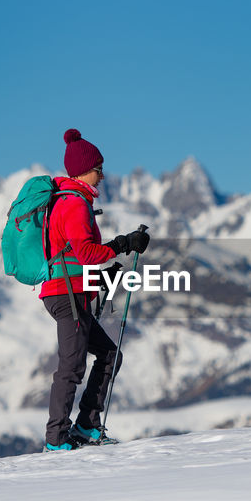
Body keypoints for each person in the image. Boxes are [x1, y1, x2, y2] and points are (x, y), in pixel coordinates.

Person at [41, 128, 149, 451]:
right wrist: (122, 244)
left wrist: (102, 278)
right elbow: (86, 252)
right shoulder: (73, 205)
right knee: (72, 366)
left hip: (70, 291)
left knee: (109, 354)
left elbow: (75, 258)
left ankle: (86, 425)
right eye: (98, 169)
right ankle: (56, 438)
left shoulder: (72, 201)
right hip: (66, 296)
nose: (102, 176)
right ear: (83, 170)